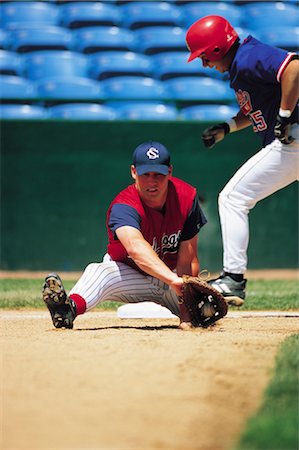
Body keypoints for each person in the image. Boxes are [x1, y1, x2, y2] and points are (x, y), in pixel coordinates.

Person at [185, 15, 299, 306]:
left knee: (233, 199)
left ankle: (233, 279)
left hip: (293, 141)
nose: (204, 64)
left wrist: (285, 116)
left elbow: (294, 68)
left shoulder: (248, 56)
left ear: (216, 49)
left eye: (203, 56)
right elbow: (255, 109)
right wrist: (227, 127)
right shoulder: (242, 64)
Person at [42, 141, 207, 330]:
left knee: (203, 311)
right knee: (100, 272)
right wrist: (173, 279)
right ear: (133, 172)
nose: (152, 181)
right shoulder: (124, 206)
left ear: (170, 172)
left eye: (158, 174)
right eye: (146, 174)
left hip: (172, 281)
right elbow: (135, 248)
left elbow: (188, 258)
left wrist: (187, 310)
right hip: (128, 274)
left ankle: (198, 312)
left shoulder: (186, 198)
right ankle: (67, 309)